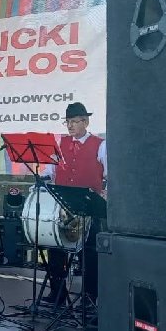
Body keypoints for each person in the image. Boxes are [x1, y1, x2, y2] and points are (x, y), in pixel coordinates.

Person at [39, 102, 107, 305]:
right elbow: (49, 171)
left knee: (90, 253)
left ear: (85, 122)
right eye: (67, 122)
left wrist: (106, 193)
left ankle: (89, 297)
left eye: (74, 121)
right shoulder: (60, 144)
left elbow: (111, 173)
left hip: (88, 207)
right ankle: (57, 293)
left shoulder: (100, 145)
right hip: (63, 207)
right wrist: (43, 178)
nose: (69, 126)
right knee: (56, 249)